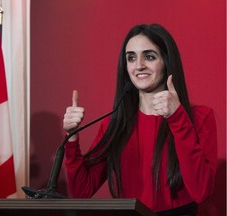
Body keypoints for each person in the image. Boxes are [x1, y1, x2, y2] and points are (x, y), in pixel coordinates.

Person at [62, 23, 217, 215]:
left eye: (149, 56)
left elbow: (201, 191)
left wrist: (177, 118)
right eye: (131, 58)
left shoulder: (200, 117)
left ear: (167, 62)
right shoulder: (113, 124)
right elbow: (81, 192)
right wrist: (72, 137)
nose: (139, 66)